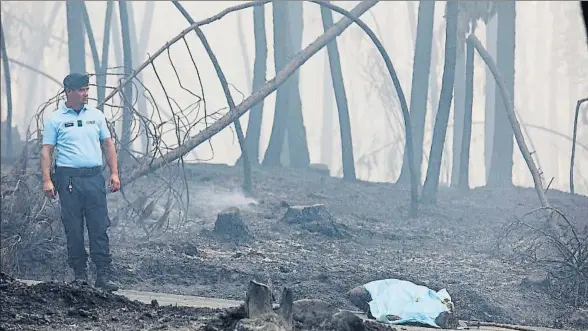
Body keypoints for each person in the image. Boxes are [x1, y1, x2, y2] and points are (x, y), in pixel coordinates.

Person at [41, 73, 120, 292]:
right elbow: (47, 151)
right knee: (74, 228)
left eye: (87, 89)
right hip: (69, 180)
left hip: (94, 178)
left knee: (99, 226)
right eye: (81, 90)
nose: (85, 94)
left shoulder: (96, 116)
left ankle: (103, 275)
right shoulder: (55, 120)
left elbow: (108, 144)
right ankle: (80, 275)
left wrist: (114, 173)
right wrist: (47, 179)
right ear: (68, 91)